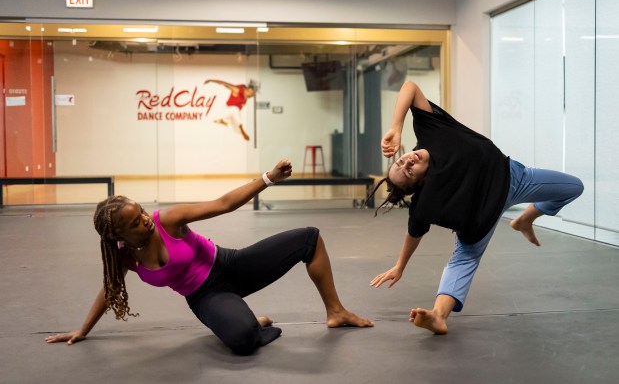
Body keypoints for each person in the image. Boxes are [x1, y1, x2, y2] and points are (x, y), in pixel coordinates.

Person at [45, 160, 373, 355]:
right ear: (118, 237)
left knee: (308, 238)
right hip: (205, 296)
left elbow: (223, 203)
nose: (145, 220)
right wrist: (83, 329)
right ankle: (248, 320)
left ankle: (337, 311)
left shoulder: (169, 220)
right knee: (243, 342)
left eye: (142, 212)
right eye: (134, 222)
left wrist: (269, 178)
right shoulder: (124, 257)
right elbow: (108, 290)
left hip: (232, 265)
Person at [369, 80, 583, 335]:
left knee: (574, 187)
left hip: (513, 179)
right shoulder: (425, 201)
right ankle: (438, 316)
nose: (407, 162)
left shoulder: (430, 130)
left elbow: (410, 87)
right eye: (408, 171)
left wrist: (395, 127)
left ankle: (526, 219)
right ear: (420, 182)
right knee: (463, 260)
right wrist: (400, 265)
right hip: (483, 219)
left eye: (401, 162)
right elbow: (413, 234)